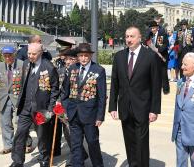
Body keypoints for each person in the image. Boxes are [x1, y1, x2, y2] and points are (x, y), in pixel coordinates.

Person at [109, 26, 162, 167]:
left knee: (141, 142)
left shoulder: (150, 56)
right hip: (125, 107)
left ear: (139, 38)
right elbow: (115, 83)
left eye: (132, 36)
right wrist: (113, 107)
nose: (129, 39)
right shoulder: (119, 57)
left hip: (143, 108)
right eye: (127, 36)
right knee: (129, 141)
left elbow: (156, 85)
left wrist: (154, 109)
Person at [10, 43, 59, 167]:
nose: (30, 56)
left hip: (41, 109)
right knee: (20, 134)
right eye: (29, 53)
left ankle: (44, 160)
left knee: (42, 136)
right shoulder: (26, 64)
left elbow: (55, 90)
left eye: (33, 54)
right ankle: (17, 161)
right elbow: (22, 84)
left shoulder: (49, 68)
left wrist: (50, 109)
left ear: (40, 53)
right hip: (25, 108)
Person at [61, 43, 106, 167]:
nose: (83, 58)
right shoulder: (72, 69)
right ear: (77, 56)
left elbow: (102, 96)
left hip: (90, 115)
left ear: (90, 56)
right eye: (81, 56)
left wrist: (100, 116)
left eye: (86, 56)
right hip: (73, 114)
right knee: (76, 144)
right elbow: (65, 90)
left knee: (92, 142)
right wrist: (66, 108)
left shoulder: (99, 70)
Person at [0, 46, 24, 155]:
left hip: (17, 97)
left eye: (10, 55)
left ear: (14, 54)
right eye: (5, 56)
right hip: (4, 98)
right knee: (5, 122)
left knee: (21, 122)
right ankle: (8, 145)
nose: (7, 58)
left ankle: (27, 142)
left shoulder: (22, 64)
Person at [146, 20, 170, 94]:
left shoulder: (161, 34)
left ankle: (166, 89)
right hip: (153, 57)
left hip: (162, 56)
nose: (152, 29)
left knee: (163, 73)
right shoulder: (150, 35)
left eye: (154, 28)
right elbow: (146, 42)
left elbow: (165, 45)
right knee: (154, 73)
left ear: (157, 28)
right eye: (151, 28)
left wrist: (158, 50)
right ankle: (156, 87)